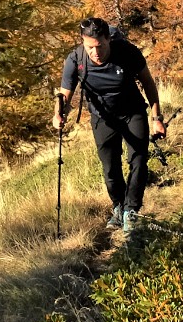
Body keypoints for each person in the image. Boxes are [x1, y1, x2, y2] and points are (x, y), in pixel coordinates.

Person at [54, 17, 165, 237]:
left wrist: (156, 118)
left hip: (132, 111)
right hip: (102, 117)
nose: (95, 52)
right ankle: (118, 206)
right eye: (90, 47)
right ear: (83, 43)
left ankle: (131, 211)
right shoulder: (75, 59)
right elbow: (65, 95)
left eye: (99, 46)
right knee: (110, 167)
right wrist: (58, 114)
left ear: (108, 40)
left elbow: (148, 83)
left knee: (139, 160)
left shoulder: (126, 52)